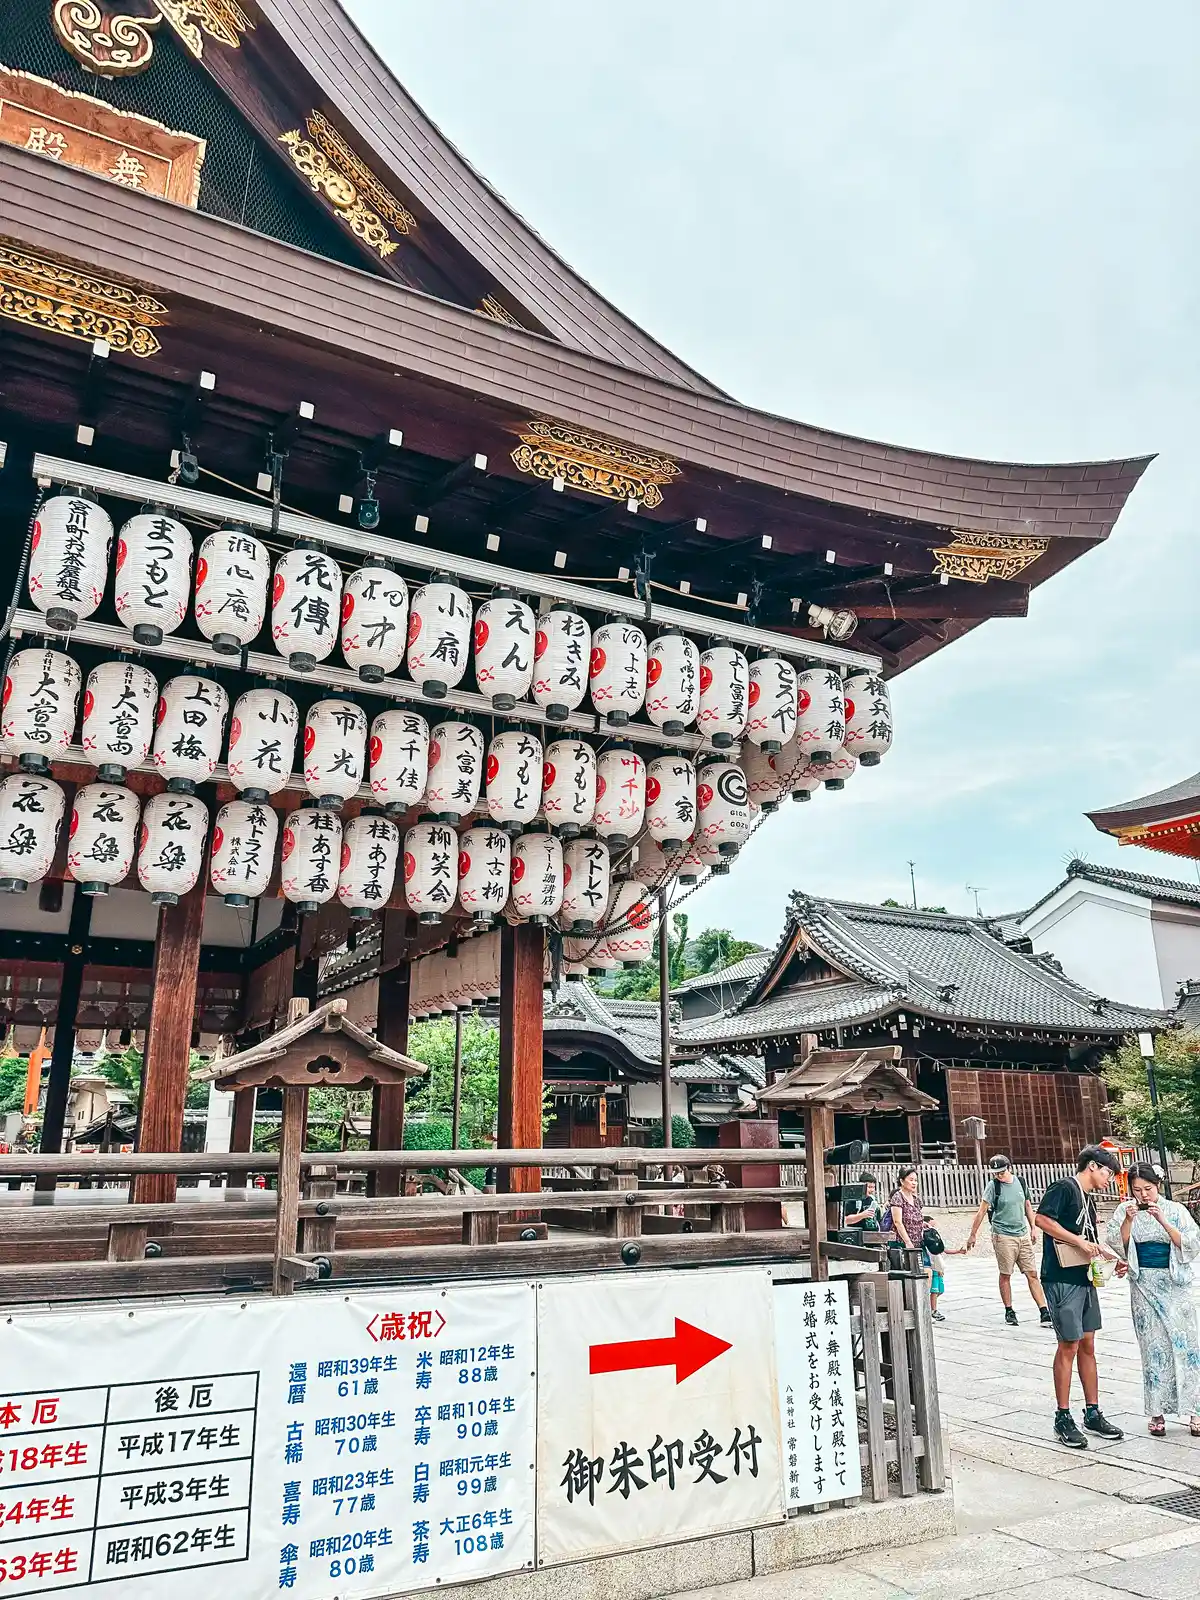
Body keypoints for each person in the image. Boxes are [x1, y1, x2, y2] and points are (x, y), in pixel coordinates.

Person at [1034, 1145, 1125, 1449]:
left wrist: (1112, 1257)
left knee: (1088, 1343)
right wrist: (1077, 1241)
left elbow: (1090, 1242)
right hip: (1060, 1276)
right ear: (1093, 1166)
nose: (1109, 1179)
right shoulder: (1064, 1188)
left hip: (1084, 1276)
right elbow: (1042, 1220)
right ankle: (1062, 1416)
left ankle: (1092, 1411)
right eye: (1107, 1172)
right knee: (1068, 1343)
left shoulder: (1087, 1199)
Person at [1105, 1162, 1200, 1437]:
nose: (1143, 1195)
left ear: (1157, 1186)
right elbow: (1119, 1244)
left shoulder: (1175, 1210)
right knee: (1152, 1348)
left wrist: (1164, 1222)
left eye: (1148, 1189)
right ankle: (1157, 1412)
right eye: (1137, 1190)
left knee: (1188, 1347)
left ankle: (1195, 1410)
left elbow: (1191, 1243)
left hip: (1174, 1284)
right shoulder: (1126, 1210)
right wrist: (1128, 1221)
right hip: (1144, 1283)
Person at [965, 1153, 1053, 1327]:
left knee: (1032, 1273)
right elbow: (982, 1211)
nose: (999, 1175)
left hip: (1022, 1234)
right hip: (1002, 1235)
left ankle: (1044, 1311)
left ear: (1009, 1168)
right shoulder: (993, 1186)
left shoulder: (1021, 1182)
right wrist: (973, 1234)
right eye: (996, 1172)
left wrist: (1033, 1227)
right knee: (1006, 1273)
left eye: (1002, 1172)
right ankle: (1009, 1310)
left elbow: (1027, 1205)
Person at [885, 1168, 945, 1320]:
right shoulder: (898, 1198)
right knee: (906, 1275)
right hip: (901, 1243)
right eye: (911, 1179)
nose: (914, 1183)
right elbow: (898, 1222)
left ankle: (922, 1307)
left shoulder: (916, 1200)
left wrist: (923, 1226)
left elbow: (918, 1218)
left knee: (927, 1273)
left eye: (915, 1180)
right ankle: (909, 1308)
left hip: (919, 1242)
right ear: (901, 1181)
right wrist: (907, 1242)